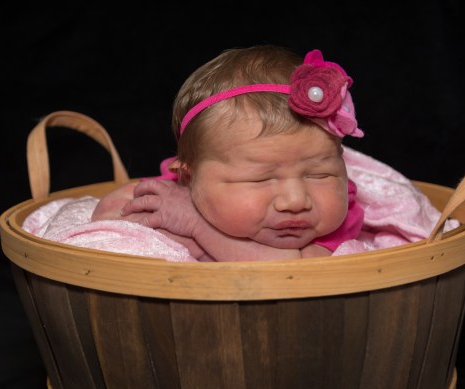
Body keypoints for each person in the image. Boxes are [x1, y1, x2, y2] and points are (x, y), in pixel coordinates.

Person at [90, 45, 365, 262]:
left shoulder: (335, 225)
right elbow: (109, 216)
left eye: (320, 174)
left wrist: (196, 226)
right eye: (260, 179)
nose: (295, 201)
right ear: (189, 178)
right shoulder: (175, 193)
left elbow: (296, 273)